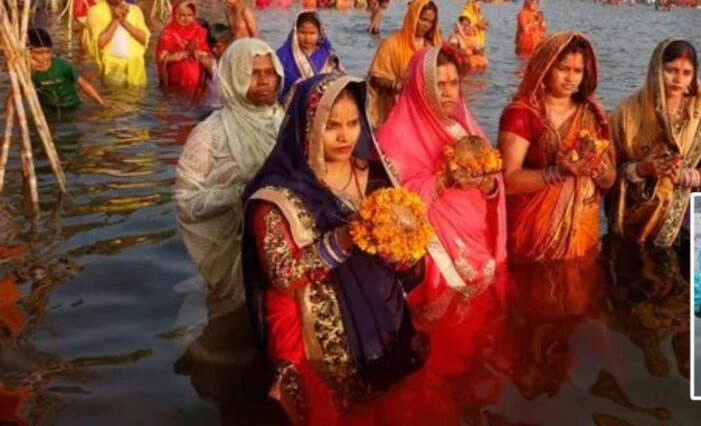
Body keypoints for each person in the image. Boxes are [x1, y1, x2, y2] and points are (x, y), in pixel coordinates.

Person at [242, 74, 425, 425]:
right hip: (316, 334)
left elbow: (402, 245)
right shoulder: (276, 198)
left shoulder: (372, 173)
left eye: (354, 123)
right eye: (332, 126)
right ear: (308, 126)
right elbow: (281, 275)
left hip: (380, 315)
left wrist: (401, 252)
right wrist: (342, 239)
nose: (345, 136)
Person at [377, 46, 506, 302]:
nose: (448, 92)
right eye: (438, 83)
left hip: (479, 239)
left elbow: (494, 182)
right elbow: (393, 204)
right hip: (435, 251)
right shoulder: (393, 137)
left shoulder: (463, 124)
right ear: (419, 86)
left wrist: (488, 184)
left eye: (454, 83)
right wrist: (444, 180)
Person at [174, 39, 284, 305]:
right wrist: (238, 195)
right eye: (253, 73)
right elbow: (185, 201)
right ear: (234, 76)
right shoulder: (211, 132)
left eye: (269, 72)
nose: (263, 81)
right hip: (231, 249)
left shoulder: (285, 121)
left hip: (281, 252)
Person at [498, 32, 615, 261]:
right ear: (545, 67)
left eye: (577, 71)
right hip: (533, 232)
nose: (570, 78)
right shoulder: (522, 114)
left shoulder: (592, 114)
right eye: (563, 69)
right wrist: (560, 172)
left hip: (582, 231)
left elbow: (609, 180)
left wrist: (598, 167)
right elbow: (508, 181)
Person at [607, 39, 701, 247]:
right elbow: (609, 170)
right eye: (671, 70)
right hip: (634, 215)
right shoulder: (626, 112)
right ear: (656, 69)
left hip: (682, 217)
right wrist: (640, 169)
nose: (677, 79)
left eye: (686, 73)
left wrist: (686, 176)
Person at [367, 0, 442, 126]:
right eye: (423, 19)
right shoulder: (391, 44)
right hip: (396, 109)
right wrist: (397, 85)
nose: (426, 25)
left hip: (425, 110)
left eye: (430, 22)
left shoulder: (433, 46)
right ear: (413, 16)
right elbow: (375, 77)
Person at [85, 0, 150, 87]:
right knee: (116, 100)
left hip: (135, 65)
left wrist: (123, 21)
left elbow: (144, 38)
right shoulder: (95, 11)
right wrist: (115, 20)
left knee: (135, 101)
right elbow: (100, 42)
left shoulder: (135, 10)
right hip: (112, 66)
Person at [27, 28, 105, 114]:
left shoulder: (63, 65)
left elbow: (84, 85)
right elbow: (15, 95)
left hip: (73, 107)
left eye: (48, 52)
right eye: (39, 53)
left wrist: (101, 103)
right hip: (49, 112)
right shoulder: (28, 73)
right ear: (28, 52)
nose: (45, 57)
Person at [276, 11, 343, 100]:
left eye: (312, 33)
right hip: (293, 106)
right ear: (295, 32)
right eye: (302, 32)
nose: (307, 38)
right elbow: (279, 88)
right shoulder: (283, 56)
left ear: (320, 34)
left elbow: (338, 80)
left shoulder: (328, 55)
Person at [156, 1, 209, 91]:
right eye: (182, 15)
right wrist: (177, 56)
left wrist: (200, 53)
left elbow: (212, 54)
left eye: (190, 15)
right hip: (176, 82)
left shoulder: (200, 31)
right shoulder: (168, 33)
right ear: (175, 15)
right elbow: (161, 59)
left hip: (198, 83)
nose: (186, 19)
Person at [191, 23, 232, 111]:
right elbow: (200, 87)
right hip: (211, 106)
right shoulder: (207, 62)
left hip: (229, 108)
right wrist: (192, 107)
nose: (213, 50)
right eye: (211, 46)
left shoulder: (234, 61)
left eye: (218, 47)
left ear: (227, 44)